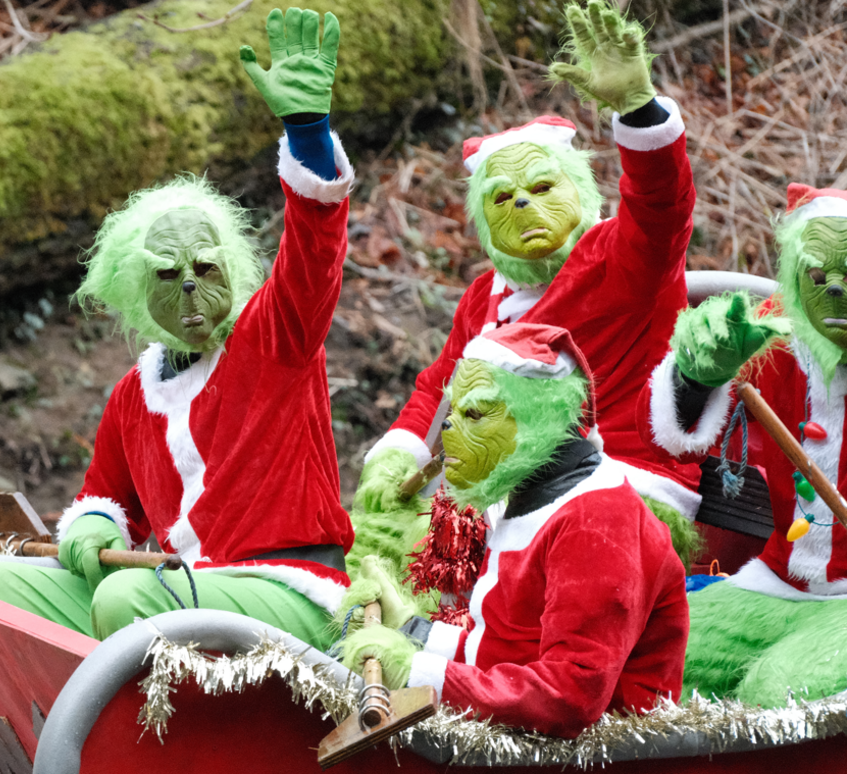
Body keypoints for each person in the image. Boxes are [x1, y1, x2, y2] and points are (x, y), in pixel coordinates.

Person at [0, 7, 354, 647]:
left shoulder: (275, 336)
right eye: (166, 274)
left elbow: (315, 250)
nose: (188, 286)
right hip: (179, 589)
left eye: (204, 267)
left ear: (231, 265)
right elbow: (105, 498)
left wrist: (308, 130)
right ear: (130, 290)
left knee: (127, 599)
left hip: (294, 594)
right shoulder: (132, 396)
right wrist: (95, 527)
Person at [350, 0, 701, 577]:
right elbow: (438, 390)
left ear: (581, 192)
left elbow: (662, 207)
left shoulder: (621, 257)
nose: (525, 205)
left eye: (542, 187)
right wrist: (398, 455)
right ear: (484, 222)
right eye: (503, 198)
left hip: (625, 487)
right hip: (504, 499)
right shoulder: (484, 296)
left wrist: (640, 111)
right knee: (380, 555)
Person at [339, 323, 688, 738]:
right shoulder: (530, 494)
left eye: (474, 415)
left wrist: (415, 671)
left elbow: (571, 695)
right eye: (452, 412)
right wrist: (415, 631)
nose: (448, 430)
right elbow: (507, 648)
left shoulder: (597, 523)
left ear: (538, 422)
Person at [641, 184, 847, 706]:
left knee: (780, 693)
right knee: (653, 665)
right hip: (777, 581)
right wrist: (696, 372)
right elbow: (674, 433)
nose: (837, 292)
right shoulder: (774, 334)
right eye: (820, 278)